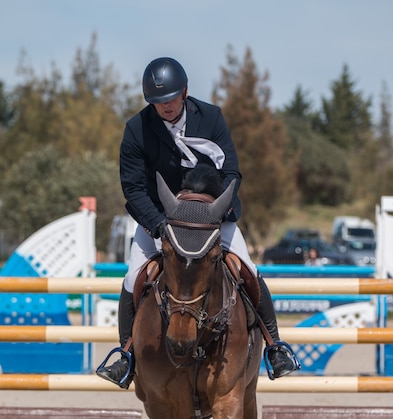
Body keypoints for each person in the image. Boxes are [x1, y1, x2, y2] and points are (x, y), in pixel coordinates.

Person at [97, 57, 300, 387]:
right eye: (157, 102)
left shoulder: (212, 118)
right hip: (161, 221)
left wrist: (217, 214)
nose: (165, 106)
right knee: (133, 276)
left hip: (208, 221)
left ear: (185, 93)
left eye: (171, 99)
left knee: (247, 269)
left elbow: (231, 171)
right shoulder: (137, 129)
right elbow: (133, 188)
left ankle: (275, 348)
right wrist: (158, 225)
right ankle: (126, 355)